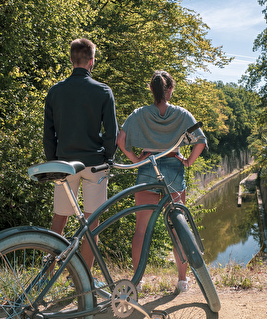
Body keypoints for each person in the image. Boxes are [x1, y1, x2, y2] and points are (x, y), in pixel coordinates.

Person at [116, 70, 207, 293]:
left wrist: (136, 159)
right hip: (174, 168)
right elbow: (201, 141)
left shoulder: (140, 114)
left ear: (151, 90)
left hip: (148, 167)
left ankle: (136, 282)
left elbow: (121, 140)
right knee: (179, 227)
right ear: (170, 90)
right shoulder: (182, 114)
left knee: (141, 230)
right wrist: (188, 162)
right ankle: (182, 281)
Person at [43, 38, 118, 269]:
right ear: (91, 62)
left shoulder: (55, 91)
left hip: (64, 164)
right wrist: (109, 157)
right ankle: (84, 283)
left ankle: (45, 275)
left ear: (71, 59)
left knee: (59, 219)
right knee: (92, 223)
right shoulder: (103, 91)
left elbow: (48, 133)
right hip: (94, 164)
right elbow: (111, 131)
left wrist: (53, 162)